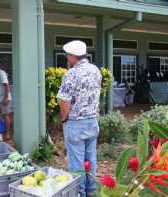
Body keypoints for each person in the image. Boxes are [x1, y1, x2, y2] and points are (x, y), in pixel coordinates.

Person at [57, 40, 102, 197]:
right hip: (92, 121)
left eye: (67, 55)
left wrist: (64, 119)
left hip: (76, 123)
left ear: (72, 56)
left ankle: (79, 194)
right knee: (91, 159)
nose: (67, 58)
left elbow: (64, 100)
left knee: (76, 164)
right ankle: (91, 191)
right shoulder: (96, 70)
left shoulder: (71, 74)